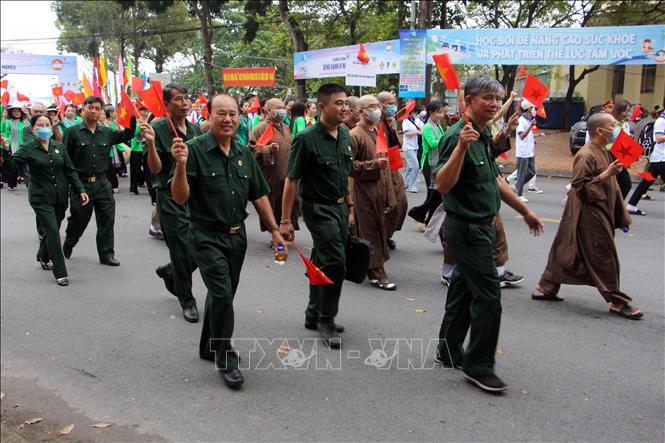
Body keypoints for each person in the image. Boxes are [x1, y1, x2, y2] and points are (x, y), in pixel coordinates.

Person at [170, 93, 288, 389]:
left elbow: (258, 194)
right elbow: (179, 197)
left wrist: (274, 229)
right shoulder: (193, 150)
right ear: (208, 117)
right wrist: (181, 165)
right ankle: (225, 356)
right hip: (206, 235)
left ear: (239, 117)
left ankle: (208, 345)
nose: (227, 119)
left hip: (237, 237)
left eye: (233, 114)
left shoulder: (242, 152)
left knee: (224, 295)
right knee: (222, 295)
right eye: (220, 114)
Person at [434, 75, 544, 393]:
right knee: (489, 298)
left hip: (482, 225)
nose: (495, 104)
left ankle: (448, 350)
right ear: (468, 101)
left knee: (463, 292)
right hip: (466, 229)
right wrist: (461, 148)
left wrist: (525, 211)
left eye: (497, 98)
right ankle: (478, 365)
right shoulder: (458, 136)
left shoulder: (481, 134)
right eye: (488, 98)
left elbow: (495, 180)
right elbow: (442, 184)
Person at [532, 112, 643, 320]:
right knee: (603, 254)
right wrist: (606, 175)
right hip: (589, 212)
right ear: (600, 131)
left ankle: (547, 285)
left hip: (600, 209)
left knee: (567, 248)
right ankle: (617, 300)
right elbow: (580, 188)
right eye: (612, 126)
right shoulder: (586, 154)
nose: (615, 129)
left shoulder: (602, 151)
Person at [280, 83, 354, 349]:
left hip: (340, 208)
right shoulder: (306, 139)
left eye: (346, 102)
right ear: (322, 106)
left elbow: (346, 175)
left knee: (322, 259)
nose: (344, 107)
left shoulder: (346, 136)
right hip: (317, 208)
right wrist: (286, 220)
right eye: (338, 103)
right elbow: (291, 180)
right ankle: (326, 318)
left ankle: (313, 313)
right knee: (336, 262)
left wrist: (350, 206)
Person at [5, 114, 89, 286]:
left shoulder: (58, 146)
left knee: (54, 226)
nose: (44, 127)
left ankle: (43, 256)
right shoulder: (28, 148)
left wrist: (80, 189)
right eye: (40, 125)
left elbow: (70, 170)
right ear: (32, 128)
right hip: (40, 198)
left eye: (47, 124)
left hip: (60, 196)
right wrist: (6, 150)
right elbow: (13, 165)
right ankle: (60, 272)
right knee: (52, 231)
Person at [146, 84, 203, 323]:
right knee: (181, 249)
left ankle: (170, 272)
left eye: (187, 98)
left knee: (201, 246)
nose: (185, 103)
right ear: (166, 104)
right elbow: (155, 168)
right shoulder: (157, 127)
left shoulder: (195, 129)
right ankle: (186, 299)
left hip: (194, 196)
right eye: (178, 99)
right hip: (169, 196)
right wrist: (150, 144)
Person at [62, 95, 135, 266]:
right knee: (79, 219)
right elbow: (66, 161)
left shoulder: (107, 132)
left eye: (97, 108)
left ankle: (106, 254)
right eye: (90, 108)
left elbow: (127, 134)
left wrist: (131, 117)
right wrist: (73, 186)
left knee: (107, 219)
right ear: (83, 109)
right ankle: (70, 241)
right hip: (81, 184)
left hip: (102, 183)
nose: (94, 111)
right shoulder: (72, 132)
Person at [350, 95, 397, 290]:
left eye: (378, 106)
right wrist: (372, 165)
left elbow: (386, 160)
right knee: (369, 231)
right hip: (364, 192)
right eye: (372, 107)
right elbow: (348, 166)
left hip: (380, 188)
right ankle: (377, 272)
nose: (377, 109)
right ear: (361, 112)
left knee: (379, 229)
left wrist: (389, 192)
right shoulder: (354, 135)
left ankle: (369, 267)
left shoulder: (378, 131)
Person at [248, 97, 299, 235]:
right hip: (271, 174)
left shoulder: (286, 128)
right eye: (278, 108)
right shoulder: (260, 129)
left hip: (287, 173)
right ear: (268, 110)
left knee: (291, 203)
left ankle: (288, 228)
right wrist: (267, 149)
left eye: (283, 107)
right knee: (274, 203)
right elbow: (251, 149)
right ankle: (275, 233)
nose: (282, 111)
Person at [408, 101, 447, 229]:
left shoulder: (438, 125)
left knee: (435, 194)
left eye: (442, 112)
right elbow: (433, 143)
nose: (442, 115)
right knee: (433, 193)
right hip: (430, 164)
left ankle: (423, 217)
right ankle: (420, 214)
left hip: (438, 163)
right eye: (439, 112)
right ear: (431, 113)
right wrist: (447, 138)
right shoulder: (427, 127)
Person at [377, 91, 407, 250]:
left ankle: (387, 234)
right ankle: (381, 236)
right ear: (381, 105)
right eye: (390, 104)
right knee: (388, 204)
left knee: (401, 203)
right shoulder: (375, 123)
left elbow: (397, 144)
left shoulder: (389, 122)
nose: (393, 107)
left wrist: (392, 124)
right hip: (382, 168)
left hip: (393, 167)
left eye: (393, 103)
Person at [626, 109, 665, 215]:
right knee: (645, 183)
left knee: (645, 183)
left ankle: (631, 205)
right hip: (661, 158)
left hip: (657, 158)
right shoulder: (661, 121)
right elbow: (658, 138)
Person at [513, 99, 538, 202]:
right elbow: (522, 136)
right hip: (523, 152)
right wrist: (531, 126)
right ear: (528, 109)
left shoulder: (528, 120)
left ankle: (516, 185)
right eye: (533, 108)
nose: (534, 110)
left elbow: (528, 136)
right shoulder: (521, 121)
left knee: (532, 171)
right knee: (521, 173)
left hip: (529, 151)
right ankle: (519, 194)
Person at [1, 102, 29, 190]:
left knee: (27, 166)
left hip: (26, 146)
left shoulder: (25, 121)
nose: (17, 112)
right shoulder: (9, 122)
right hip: (14, 146)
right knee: (13, 166)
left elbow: (33, 126)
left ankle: (29, 184)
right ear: (11, 113)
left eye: (18, 111)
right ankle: (11, 184)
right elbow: (3, 129)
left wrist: (28, 114)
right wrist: (4, 118)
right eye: (14, 111)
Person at [610, 100, 633, 199]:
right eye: (625, 111)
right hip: (610, 157)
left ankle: (616, 207)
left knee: (626, 184)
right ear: (618, 110)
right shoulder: (610, 122)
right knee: (610, 186)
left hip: (621, 158)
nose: (626, 114)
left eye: (628, 111)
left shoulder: (625, 125)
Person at [402, 103, 423, 193]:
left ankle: (405, 184)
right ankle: (412, 186)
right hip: (408, 146)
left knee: (410, 167)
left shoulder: (417, 120)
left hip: (415, 146)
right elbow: (406, 133)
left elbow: (423, 129)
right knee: (415, 166)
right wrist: (417, 132)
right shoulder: (406, 121)